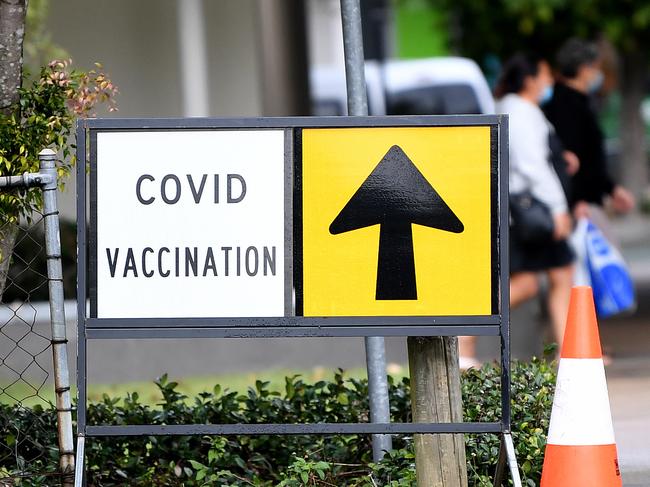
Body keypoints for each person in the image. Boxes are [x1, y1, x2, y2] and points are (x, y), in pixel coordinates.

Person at [459, 54, 574, 369]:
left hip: (521, 210)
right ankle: (464, 339)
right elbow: (531, 165)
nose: (550, 82)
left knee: (552, 276)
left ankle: (568, 353)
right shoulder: (520, 111)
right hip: (530, 211)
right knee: (537, 280)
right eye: (546, 74)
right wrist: (559, 209)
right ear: (530, 79)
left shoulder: (515, 108)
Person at [544, 38, 635, 218]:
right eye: (596, 67)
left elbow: (590, 158)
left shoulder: (578, 102)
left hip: (584, 201)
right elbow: (570, 159)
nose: (598, 74)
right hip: (579, 206)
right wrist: (577, 200)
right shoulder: (567, 105)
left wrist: (611, 189)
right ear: (584, 69)